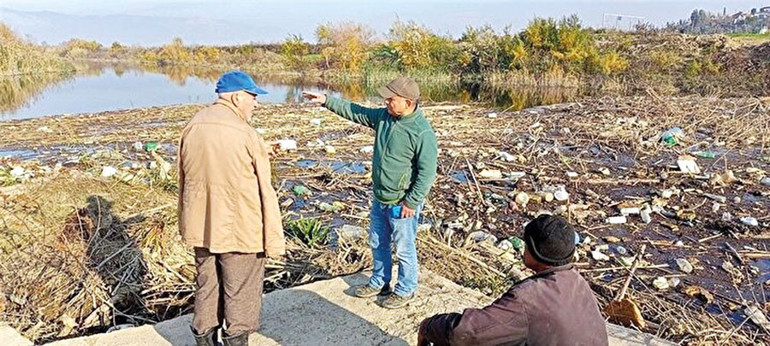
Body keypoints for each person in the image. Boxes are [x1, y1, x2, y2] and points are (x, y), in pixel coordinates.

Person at [302, 76, 438, 309]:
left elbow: (427, 172)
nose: (386, 102)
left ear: (407, 101)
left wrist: (412, 202)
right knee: (377, 242)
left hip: (402, 203)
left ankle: (405, 290)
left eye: (391, 99)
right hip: (381, 198)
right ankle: (380, 282)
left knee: (404, 250)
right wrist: (326, 100)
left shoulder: (422, 133)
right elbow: (356, 111)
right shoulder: (385, 117)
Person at [178, 70, 285, 346]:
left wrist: (262, 149)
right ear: (237, 97)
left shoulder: (194, 124)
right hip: (239, 228)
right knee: (241, 290)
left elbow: (188, 174)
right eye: (252, 97)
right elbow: (263, 187)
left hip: (201, 224)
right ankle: (236, 339)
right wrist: (271, 235)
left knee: (207, 284)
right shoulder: (244, 132)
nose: (256, 103)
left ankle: (204, 338)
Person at [418, 215, 608, 346]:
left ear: (534, 251)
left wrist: (428, 325)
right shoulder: (577, 282)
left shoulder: (528, 298)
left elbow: (466, 332)